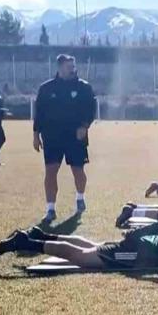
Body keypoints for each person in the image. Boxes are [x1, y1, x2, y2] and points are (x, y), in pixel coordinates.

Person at [0, 195, 158, 269]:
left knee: (93, 246)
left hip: (144, 250)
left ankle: (42, 236)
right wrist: (137, 234)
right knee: (84, 258)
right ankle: (25, 242)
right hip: (140, 252)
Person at [33, 54, 97, 222]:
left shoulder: (84, 87)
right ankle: (50, 209)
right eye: (69, 67)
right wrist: (35, 134)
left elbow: (91, 109)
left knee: (78, 171)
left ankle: (80, 197)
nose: (73, 69)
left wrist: (84, 126)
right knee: (50, 171)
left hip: (75, 137)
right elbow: (39, 113)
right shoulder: (46, 88)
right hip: (52, 137)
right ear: (60, 67)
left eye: (73, 66)